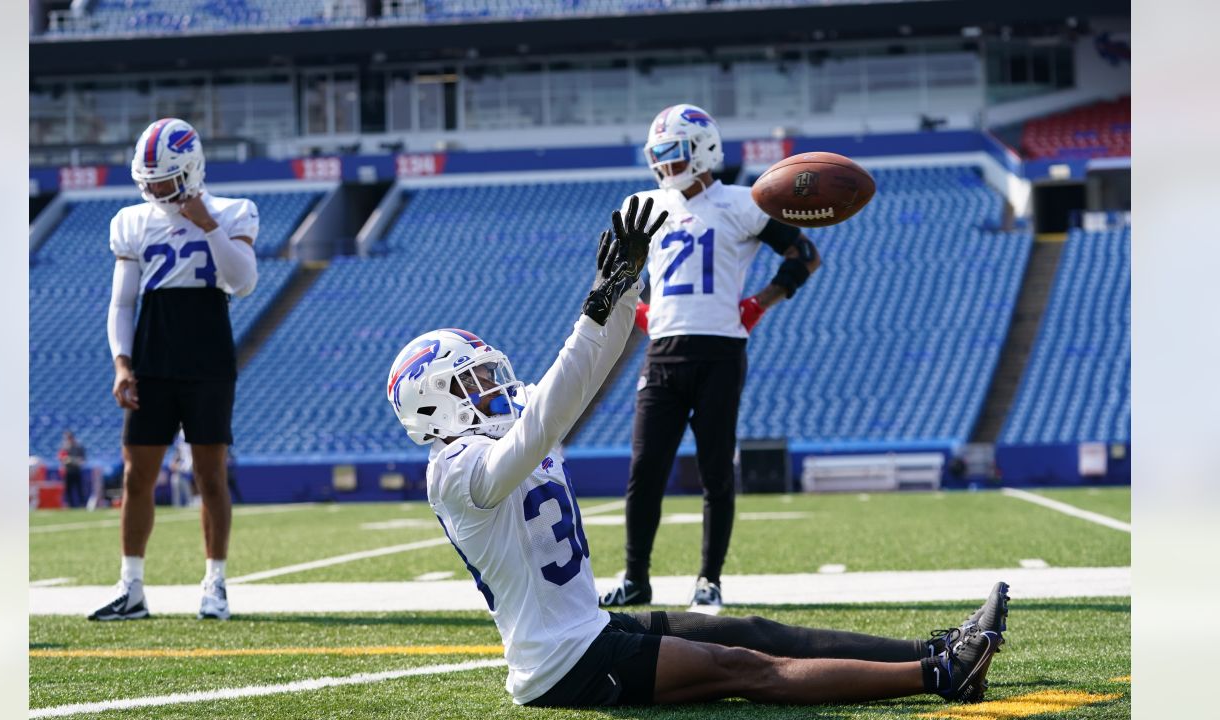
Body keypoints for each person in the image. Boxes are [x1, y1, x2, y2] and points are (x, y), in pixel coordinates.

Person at [387, 198, 1009, 709]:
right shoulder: (453, 472)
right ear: (434, 404)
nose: (494, 386)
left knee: (751, 631)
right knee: (744, 668)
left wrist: (624, 290)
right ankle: (945, 676)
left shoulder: (500, 438)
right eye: (473, 381)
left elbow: (579, 379)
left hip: (589, 631)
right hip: (564, 665)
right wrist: (594, 310)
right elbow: (554, 409)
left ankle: (936, 648)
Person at [601, 104, 821, 613]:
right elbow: (622, 283)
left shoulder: (744, 203)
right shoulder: (644, 205)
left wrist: (758, 304)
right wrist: (641, 314)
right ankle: (636, 578)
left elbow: (805, 254)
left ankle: (709, 580)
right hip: (662, 353)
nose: (664, 166)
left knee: (716, 470)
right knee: (644, 470)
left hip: (721, 349)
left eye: (673, 154)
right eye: (657, 156)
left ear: (702, 150)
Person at [89, 117, 259, 622]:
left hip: (208, 357)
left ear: (191, 169)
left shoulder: (232, 212)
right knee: (136, 476)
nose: (156, 191)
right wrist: (122, 363)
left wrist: (207, 224)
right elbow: (122, 304)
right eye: (150, 182)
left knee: (210, 475)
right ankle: (132, 586)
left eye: (163, 181)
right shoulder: (133, 221)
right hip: (153, 358)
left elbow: (243, 282)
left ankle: (215, 584)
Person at [57, 430, 87, 508]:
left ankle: (82, 504)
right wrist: (66, 460)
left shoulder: (78, 447)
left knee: (79, 488)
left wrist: (73, 460)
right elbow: (61, 457)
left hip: (76, 470)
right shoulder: (64, 447)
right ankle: (70, 504)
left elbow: (83, 459)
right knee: (68, 489)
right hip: (68, 471)